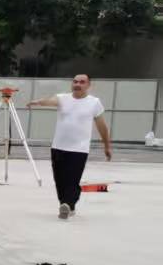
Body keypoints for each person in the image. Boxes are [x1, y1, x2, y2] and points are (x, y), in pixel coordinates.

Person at [28, 74, 111, 219]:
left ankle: (67, 203)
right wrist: (38, 102)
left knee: (72, 179)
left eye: (82, 82)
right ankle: (67, 205)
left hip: (79, 149)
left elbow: (102, 126)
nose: (78, 84)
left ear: (88, 85)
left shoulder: (94, 102)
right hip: (58, 147)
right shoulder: (63, 98)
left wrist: (107, 146)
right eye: (75, 81)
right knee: (60, 180)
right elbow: (51, 101)